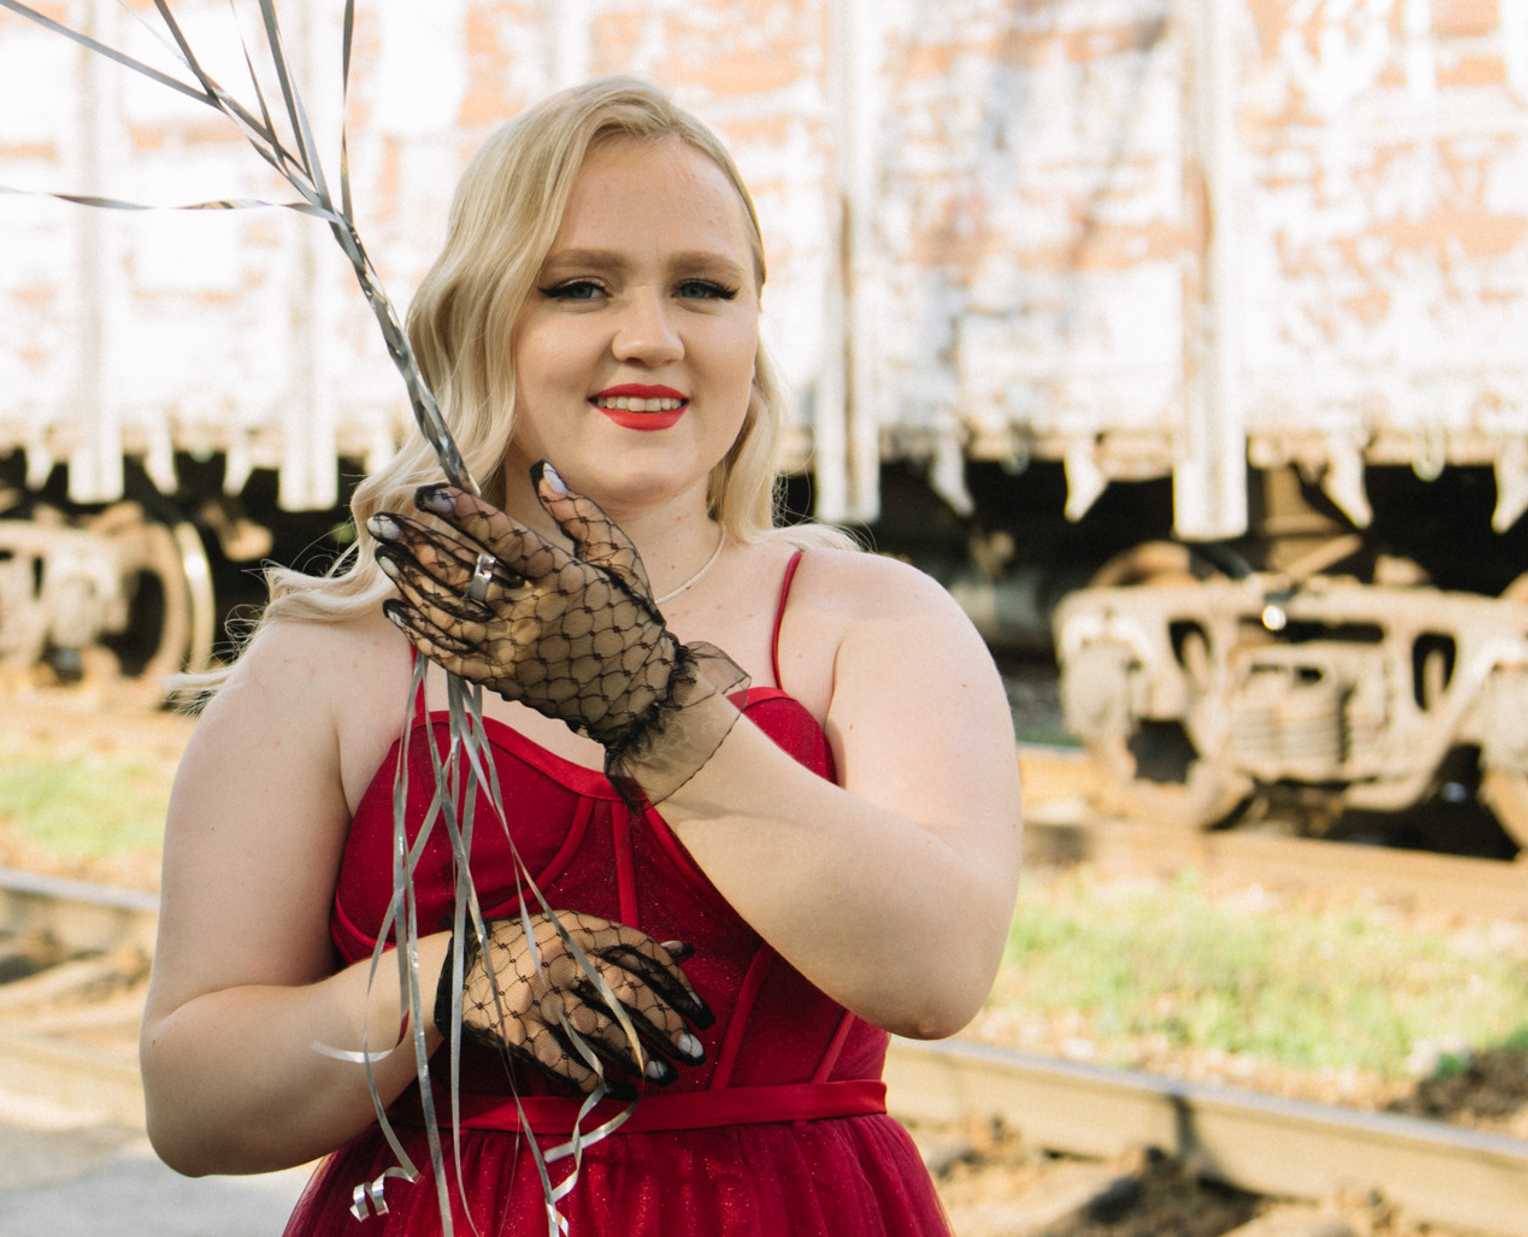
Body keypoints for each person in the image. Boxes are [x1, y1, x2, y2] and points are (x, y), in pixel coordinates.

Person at [141, 78, 1022, 1235]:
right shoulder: (329, 660)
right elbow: (192, 1105)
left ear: (753, 327)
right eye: (579, 287)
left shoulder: (876, 622)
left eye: (703, 288)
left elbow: (940, 975)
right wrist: (444, 989)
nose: (650, 336)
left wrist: (658, 715)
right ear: (479, 318)